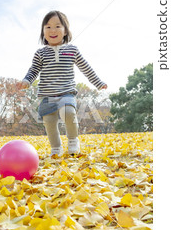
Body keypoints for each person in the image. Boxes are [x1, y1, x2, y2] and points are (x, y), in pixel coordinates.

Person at [18, 10, 107, 156]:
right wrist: (26, 81)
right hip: (47, 96)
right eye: (48, 27)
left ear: (65, 31)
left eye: (58, 26)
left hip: (66, 92)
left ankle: (73, 140)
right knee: (49, 122)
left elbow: (86, 68)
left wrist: (98, 83)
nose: (53, 30)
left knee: (68, 112)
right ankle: (56, 148)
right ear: (43, 31)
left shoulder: (72, 50)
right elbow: (33, 70)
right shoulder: (40, 53)